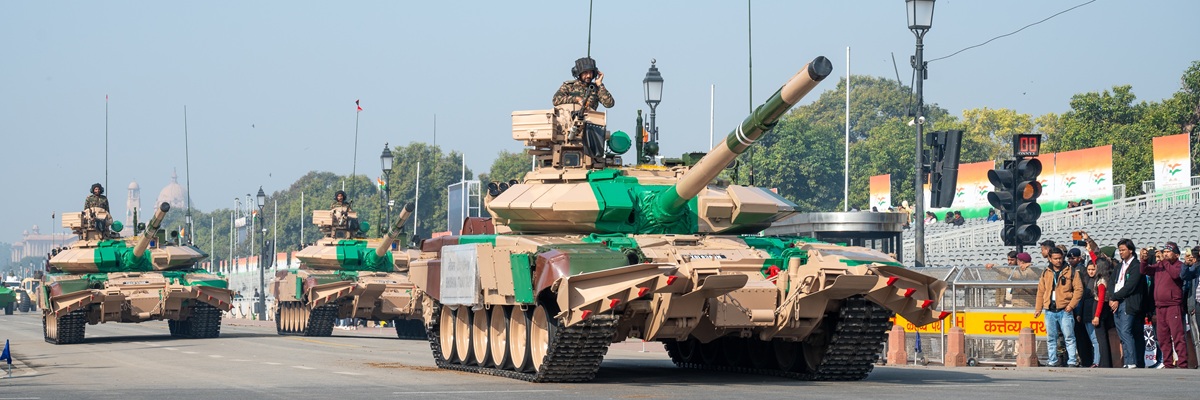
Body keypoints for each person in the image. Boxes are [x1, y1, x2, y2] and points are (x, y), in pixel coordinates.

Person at [1035, 247, 1084, 367]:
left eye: (1060, 258)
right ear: (1050, 259)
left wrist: (1071, 305)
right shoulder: (1046, 272)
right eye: (1055, 258)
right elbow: (1041, 291)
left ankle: (1072, 360)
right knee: (1051, 337)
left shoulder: (1071, 271)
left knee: (1069, 337)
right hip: (1050, 310)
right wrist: (1038, 308)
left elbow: (1079, 290)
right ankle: (1052, 360)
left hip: (1065, 309)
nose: (1058, 261)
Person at [1141, 242, 1187, 368]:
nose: (1165, 254)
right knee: (1163, 338)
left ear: (1176, 255)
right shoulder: (1160, 265)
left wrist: (1164, 261)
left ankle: (1183, 364)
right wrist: (1144, 260)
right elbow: (1144, 270)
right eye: (1164, 252)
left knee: (1178, 337)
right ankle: (1167, 364)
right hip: (1160, 306)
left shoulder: (1179, 265)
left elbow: (1175, 275)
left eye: (1168, 252)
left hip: (1173, 306)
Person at [1109, 238, 1149, 368]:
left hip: (1129, 303)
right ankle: (1127, 361)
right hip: (1117, 302)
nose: (1121, 252)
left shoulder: (1136, 266)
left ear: (1130, 250)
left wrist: (1115, 297)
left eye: (1123, 250)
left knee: (1126, 331)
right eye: (1119, 250)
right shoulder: (1119, 266)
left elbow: (1130, 286)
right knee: (1122, 333)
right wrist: (1112, 298)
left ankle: (1132, 361)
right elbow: (1111, 282)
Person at [1078, 259, 1112, 367]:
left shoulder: (1100, 281)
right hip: (1087, 313)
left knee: (1096, 339)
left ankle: (1097, 361)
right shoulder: (1088, 280)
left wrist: (1096, 316)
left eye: (1094, 268)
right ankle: (1096, 360)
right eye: (1089, 269)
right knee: (1092, 339)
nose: (1091, 271)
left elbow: (1100, 300)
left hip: (1095, 313)